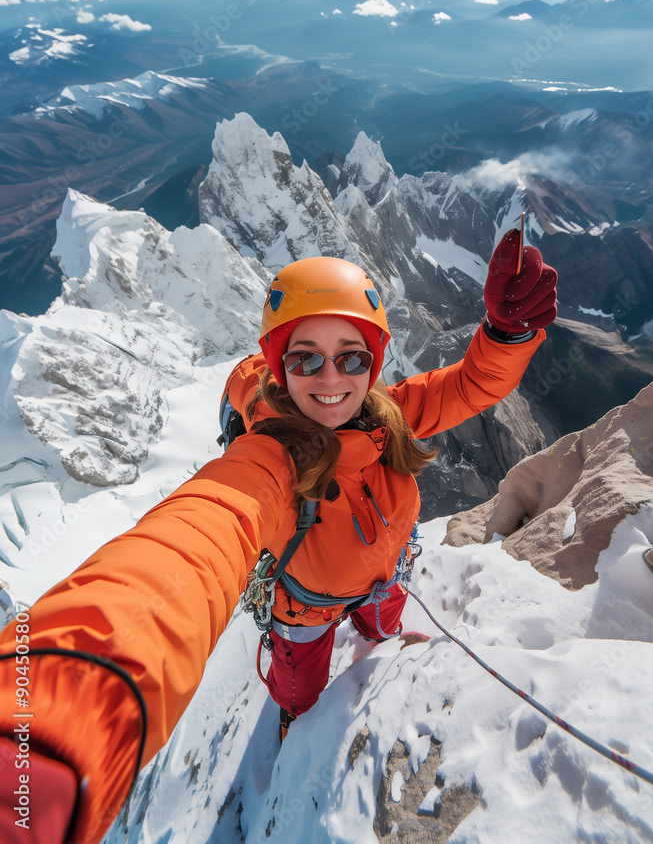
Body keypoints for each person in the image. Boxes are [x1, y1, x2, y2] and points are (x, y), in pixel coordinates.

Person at [0, 230, 556, 844]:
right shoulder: (272, 458)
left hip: (382, 577)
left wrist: (508, 334)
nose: (330, 378)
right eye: (304, 358)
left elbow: (472, 384)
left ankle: (375, 649)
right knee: (299, 692)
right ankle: (298, 718)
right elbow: (197, 534)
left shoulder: (389, 413)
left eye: (351, 356)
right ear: (278, 366)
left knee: (381, 629)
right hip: (306, 611)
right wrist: (70, 696)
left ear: (374, 362)